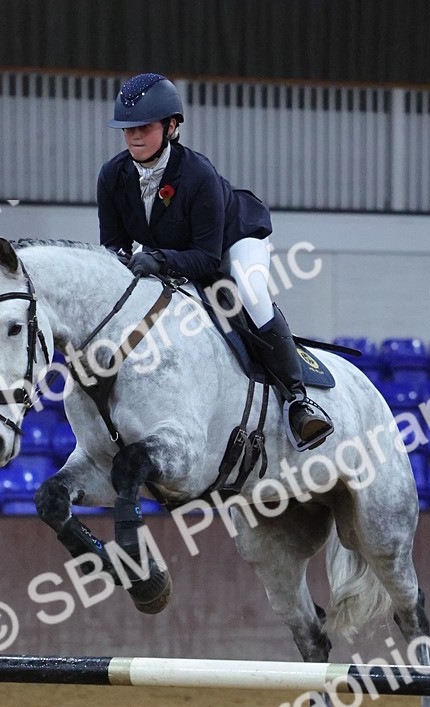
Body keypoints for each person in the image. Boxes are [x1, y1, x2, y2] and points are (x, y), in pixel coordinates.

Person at [97, 72, 333, 451]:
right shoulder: (112, 176)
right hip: (174, 249)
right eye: (127, 129)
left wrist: (156, 260)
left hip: (233, 239)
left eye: (144, 126)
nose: (134, 136)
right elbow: (114, 250)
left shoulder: (197, 173)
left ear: (171, 126)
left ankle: (298, 400)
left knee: (251, 291)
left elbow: (207, 260)